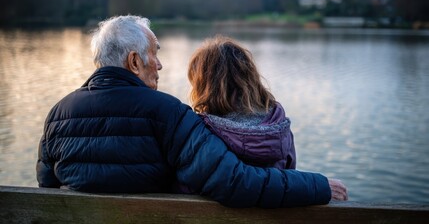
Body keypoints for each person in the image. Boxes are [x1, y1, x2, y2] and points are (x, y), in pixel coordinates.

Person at [36, 15, 348, 208]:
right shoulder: (169, 114)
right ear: (133, 62)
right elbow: (235, 182)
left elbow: (47, 189)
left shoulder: (56, 115)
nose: (159, 64)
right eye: (154, 55)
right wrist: (317, 185)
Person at [188, 35, 296, 170]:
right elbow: (290, 176)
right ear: (251, 76)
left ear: (203, 85)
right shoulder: (279, 123)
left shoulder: (202, 130)